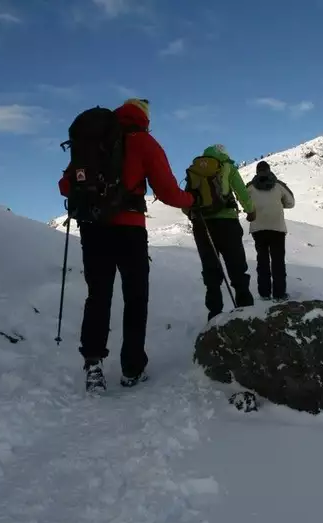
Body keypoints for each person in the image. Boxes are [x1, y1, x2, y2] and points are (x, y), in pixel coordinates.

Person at [58, 98, 196, 393]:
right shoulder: (144, 142)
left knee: (98, 295)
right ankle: (132, 368)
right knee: (135, 298)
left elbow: (65, 185)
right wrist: (191, 201)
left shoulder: (94, 141)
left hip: (94, 229)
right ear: (145, 118)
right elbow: (169, 192)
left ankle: (93, 365)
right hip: (130, 230)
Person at [186, 144, 256, 321]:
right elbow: (241, 191)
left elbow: (186, 201)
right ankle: (245, 309)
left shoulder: (195, 170)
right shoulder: (227, 167)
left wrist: (193, 216)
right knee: (236, 265)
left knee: (210, 268)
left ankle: (214, 314)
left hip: (202, 225)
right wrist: (250, 210)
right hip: (227, 223)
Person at [246, 160, 295, 300]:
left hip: (258, 228)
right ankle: (279, 294)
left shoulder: (249, 187)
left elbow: (242, 199)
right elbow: (291, 202)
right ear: (269, 170)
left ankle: (264, 293)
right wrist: (278, 204)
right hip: (277, 228)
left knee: (262, 261)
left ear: (256, 171)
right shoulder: (278, 185)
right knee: (278, 261)